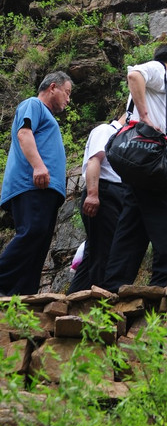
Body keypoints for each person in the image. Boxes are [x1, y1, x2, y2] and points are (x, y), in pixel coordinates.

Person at [103, 45, 167, 291]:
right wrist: (146, 117)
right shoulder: (160, 70)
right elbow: (134, 74)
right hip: (154, 157)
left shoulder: (160, 81)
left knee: (132, 224)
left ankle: (114, 286)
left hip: (139, 163)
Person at [0, 71, 72, 296]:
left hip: (46, 190)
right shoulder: (33, 105)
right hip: (32, 185)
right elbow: (24, 133)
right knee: (32, 232)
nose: (68, 100)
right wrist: (39, 166)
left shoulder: (48, 117)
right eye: (67, 93)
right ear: (53, 87)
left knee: (39, 245)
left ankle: (22, 297)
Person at [68, 112, 127, 293]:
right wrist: (93, 194)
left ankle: (72, 299)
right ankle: (101, 300)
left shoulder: (124, 139)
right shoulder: (105, 131)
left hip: (116, 194)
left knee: (93, 253)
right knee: (105, 250)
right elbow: (94, 160)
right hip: (104, 193)